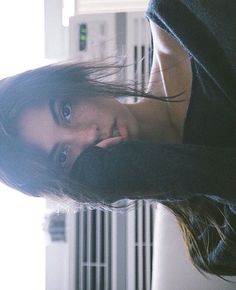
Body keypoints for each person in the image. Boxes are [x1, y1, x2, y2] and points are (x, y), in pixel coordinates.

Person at [0, 0, 236, 277]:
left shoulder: (181, 12)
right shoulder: (212, 242)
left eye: (66, 111)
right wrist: (156, 172)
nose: (88, 135)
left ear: (77, 85)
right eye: (63, 156)